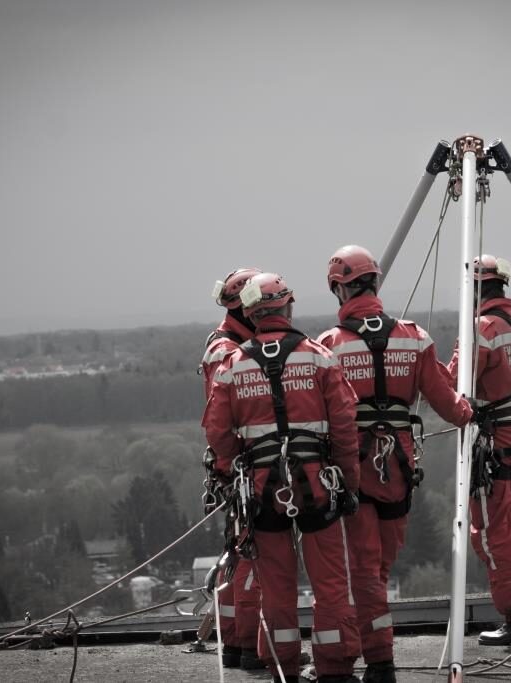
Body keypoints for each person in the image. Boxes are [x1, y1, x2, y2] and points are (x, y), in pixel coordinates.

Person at [317, 245, 472, 683]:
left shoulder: (329, 346)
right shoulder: (415, 337)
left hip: (354, 465)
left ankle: (380, 661)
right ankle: (375, 653)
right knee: (380, 566)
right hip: (400, 467)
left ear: (340, 288)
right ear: (375, 283)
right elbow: (446, 402)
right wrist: (470, 414)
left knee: (363, 568)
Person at [203, 272, 363, 683]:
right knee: (329, 582)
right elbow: (344, 424)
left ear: (252, 315)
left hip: (261, 491)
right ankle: (335, 669)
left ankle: (283, 670)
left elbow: (218, 433)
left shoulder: (231, 367)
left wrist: (227, 474)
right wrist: (347, 480)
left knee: (276, 587)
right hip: (317, 485)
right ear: (287, 307)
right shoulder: (318, 357)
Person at [448, 254, 511, 646]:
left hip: (490, 442)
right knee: (510, 519)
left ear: (475, 289)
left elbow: (457, 384)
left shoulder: (481, 330)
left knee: (489, 534)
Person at [199, 267, 265, 670]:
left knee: (239, 556)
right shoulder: (228, 350)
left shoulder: (229, 343)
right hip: (243, 467)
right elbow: (223, 421)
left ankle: (237, 647)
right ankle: (247, 647)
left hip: (235, 467)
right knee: (251, 559)